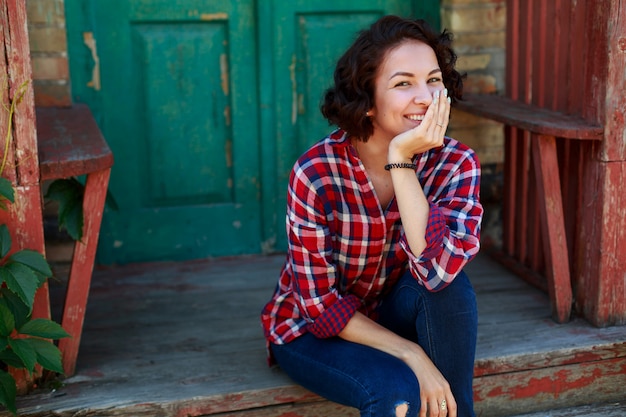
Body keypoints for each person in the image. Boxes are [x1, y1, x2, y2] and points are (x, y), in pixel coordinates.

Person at [261, 15, 483, 417]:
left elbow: (437, 272)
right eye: (403, 84)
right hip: (314, 331)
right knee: (398, 392)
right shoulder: (316, 174)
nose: (427, 97)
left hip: (393, 312)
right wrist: (411, 352)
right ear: (367, 101)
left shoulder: (456, 163)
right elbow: (321, 308)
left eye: (434, 80)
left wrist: (401, 161)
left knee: (452, 286)